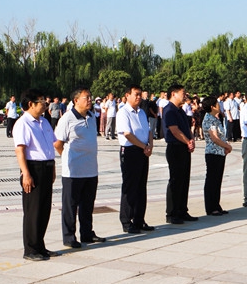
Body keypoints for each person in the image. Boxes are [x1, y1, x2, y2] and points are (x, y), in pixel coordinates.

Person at [53, 88, 106, 249]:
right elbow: (57, 143)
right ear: (76, 100)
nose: (90, 100)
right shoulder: (67, 118)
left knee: (87, 204)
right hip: (73, 171)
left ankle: (87, 233)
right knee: (70, 205)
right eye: (86, 98)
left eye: (90, 97)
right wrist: (67, 157)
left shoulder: (91, 116)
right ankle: (69, 237)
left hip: (91, 169)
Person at [13, 89, 57, 261]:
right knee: (33, 210)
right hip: (33, 168)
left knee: (44, 209)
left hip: (47, 166)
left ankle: (40, 245)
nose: (45, 104)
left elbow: (51, 146)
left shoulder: (44, 122)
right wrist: (26, 173)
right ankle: (30, 249)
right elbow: (20, 150)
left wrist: (53, 168)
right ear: (31, 104)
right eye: (41, 102)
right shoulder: (23, 124)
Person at [117, 85, 154, 234]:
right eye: (136, 94)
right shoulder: (123, 112)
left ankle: (139, 219)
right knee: (130, 186)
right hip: (131, 151)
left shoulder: (142, 112)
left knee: (141, 186)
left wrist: (150, 145)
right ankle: (126, 221)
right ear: (127, 95)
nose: (139, 97)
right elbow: (127, 134)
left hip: (143, 151)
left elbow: (149, 130)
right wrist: (144, 146)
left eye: (140, 95)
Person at [164, 84, 197, 224]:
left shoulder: (180, 110)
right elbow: (174, 130)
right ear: (173, 94)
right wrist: (187, 141)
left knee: (184, 180)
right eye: (183, 93)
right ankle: (172, 213)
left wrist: (191, 139)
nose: (185, 95)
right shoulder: (169, 110)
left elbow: (187, 128)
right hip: (175, 148)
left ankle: (182, 210)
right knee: (176, 180)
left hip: (184, 147)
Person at [201, 96, 232, 216]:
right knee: (212, 180)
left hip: (219, 152)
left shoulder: (215, 118)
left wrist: (224, 147)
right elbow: (214, 138)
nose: (219, 106)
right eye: (217, 104)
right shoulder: (209, 119)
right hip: (213, 153)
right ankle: (211, 207)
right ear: (212, 106)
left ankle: (216, 205)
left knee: (217, 180)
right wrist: (227, 146)